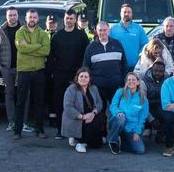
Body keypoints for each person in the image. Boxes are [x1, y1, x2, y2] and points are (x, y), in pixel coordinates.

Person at [49, 8, 90, 139]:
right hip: (60, 74)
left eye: (72, 18)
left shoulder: (81, 35)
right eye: (67, 18)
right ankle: (60, 130)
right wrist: (52, 72)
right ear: (64, 18)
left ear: (75, 19)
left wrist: (84, 73)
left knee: (77, 102)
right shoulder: (57, 36)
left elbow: (86, 55)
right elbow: (51, 56)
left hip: (76, 75)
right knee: (60, 102)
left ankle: (77, 131)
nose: (69, 21)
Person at [12, 9, 51, 140]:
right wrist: (37, 46)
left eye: (34, 17)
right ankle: (17, 131)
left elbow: (46, 51)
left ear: (38, 18)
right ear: (26, 18)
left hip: (39, 71)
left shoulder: (43, 33)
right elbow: (21, 48)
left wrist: (29, 48)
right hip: (24, 71)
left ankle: (39, 130)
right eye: (30, 17)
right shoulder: (20, 32)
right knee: (20, 101)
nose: (32, 19)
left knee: (39, 102)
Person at [0, 8, 22, 131]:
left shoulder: (23, 29)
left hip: (22, 68)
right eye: (10, 15)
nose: (12, 17)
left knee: (22, 95)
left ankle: (22, 121)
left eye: (14, 15)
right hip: (6, 69)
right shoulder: (1, 30)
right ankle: (11, 121)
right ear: (6, 16)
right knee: (8, 94)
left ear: (18, 16)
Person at [83, 21, 128, 105]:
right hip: (98, 86)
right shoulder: (91, 47)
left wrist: (122, 81)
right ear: (96, 31)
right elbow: (86, 67)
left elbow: (124, 64)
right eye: (100, 30)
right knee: (100, 112)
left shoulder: (117, 44)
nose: (102, 32)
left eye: (104, 30)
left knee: (116, 111)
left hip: (116, 85)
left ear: (109, 31)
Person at [61, 68, 105, 153]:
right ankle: (79, 142)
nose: (83, 78)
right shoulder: (71, 89)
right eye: (81, 76)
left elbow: (99, 103)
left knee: (97, 145)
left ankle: (87, 138)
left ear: (89, 79)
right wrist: (83, 116)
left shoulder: (93, 88)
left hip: (91, 118)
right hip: (77, 119)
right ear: (77, 78)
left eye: (86, 77)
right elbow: (68, 107)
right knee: (96, 122)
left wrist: (93, 113)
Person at [107, 72, 150, 155]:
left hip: (131, 128)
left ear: (138, 82)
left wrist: (137, 132)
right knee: (121, 118)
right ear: (126, 82)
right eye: (128, 80)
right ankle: (112, 140)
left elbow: (142, 118)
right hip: (117, 122)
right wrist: (118, 112)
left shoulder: (143, 99)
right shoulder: (120, 92)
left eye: (133, 79)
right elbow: (113, 106)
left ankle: (121, 143)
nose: (131, 81)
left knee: (140, 150)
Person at [142, 59, 168, 141]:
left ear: (164, 72)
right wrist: (151, 120)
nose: (157, 73)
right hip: (148, 105)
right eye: (155, 70)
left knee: (167, 112)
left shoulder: (168, 80)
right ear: (151, 70)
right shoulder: (143, 81)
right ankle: (147, 127)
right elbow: (142, 102)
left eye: (160, 71)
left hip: (161, 105)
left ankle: (161, 131)